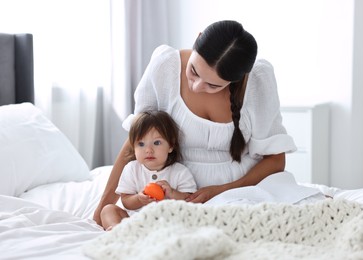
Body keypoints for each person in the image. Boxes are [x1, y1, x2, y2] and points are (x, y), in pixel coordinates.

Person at [94, 20, 322, 226]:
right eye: (193, 71)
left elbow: (275, 160)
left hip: (243, 190)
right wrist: (102, 207)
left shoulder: (258, 80)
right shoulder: (165, 65)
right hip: (176, 193)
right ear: (197, 37)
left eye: (213, 85)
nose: (196, 86)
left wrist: (220, 191)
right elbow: (137, 141)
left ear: (238, 78)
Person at [100, 110, 197, 231]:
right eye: (141, 144)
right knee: (108, 209)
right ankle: (116, 230)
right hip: (136, 220)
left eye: (157, 143)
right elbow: (126, 201)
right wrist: (139, 199)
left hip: (167, 221)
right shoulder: (131, 168)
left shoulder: (180, 171)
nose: (148, 150)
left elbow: (189, 200)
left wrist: (172, 193)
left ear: (171, 145)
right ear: (133, 147)